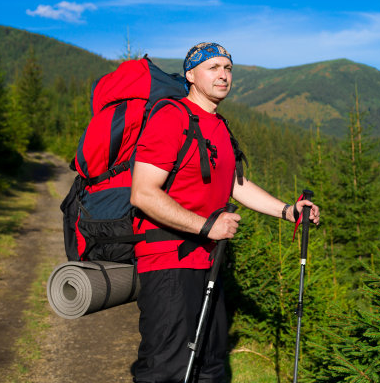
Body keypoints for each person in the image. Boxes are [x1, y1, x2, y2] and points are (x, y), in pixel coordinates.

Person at [129, 42, 320, 383]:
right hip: (168, 264)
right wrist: (207, 226)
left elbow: (234, 184)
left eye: (228, 68)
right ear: (190, 74)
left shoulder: (218, 125)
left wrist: (288, 210)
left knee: (211, 367)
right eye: (213, 67)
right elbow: (143, 193)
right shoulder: (170, 117)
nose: (223, 75)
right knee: (168, 370)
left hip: (208, 261)